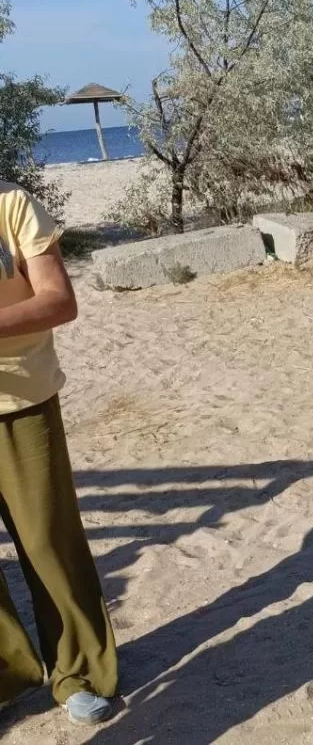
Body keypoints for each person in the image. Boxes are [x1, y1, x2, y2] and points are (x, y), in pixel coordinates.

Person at [0, 183, 118, 723]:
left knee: (48, 539)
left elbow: (59, 300)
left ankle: (78, 671)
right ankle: (8, 676)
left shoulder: (12, 204)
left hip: (20, 400)